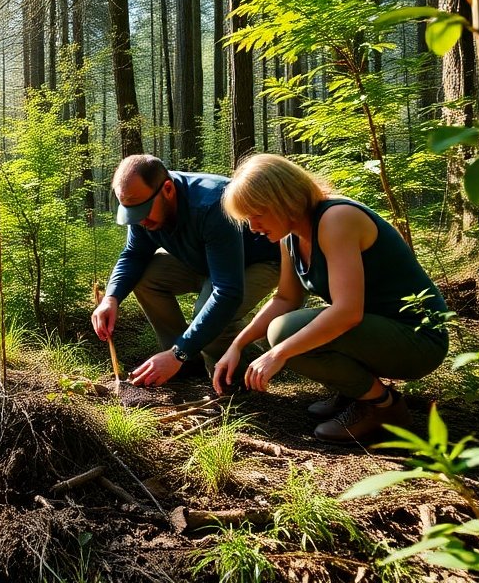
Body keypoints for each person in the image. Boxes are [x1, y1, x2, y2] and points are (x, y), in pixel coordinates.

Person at [213, 154, 450, 443]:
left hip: (418, 340)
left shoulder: (336, 218)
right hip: (379, 331)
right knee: (281, 328)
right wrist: (238, 344)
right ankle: (356, 391)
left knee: (283, 333)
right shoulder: (291, 234)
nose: (253, 227)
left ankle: (383, 407)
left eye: (257, 214)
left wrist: (279, 353)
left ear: (283, 199)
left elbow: (347, 312)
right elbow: (285, 299)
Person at [91, 154, 281, 388]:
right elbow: (134, 254)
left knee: (211, 314)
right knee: (145, 278)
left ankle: (237, 381)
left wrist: (177, 353)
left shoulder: (213, 203)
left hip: (256, 262)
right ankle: (187, 364)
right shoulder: (143, 212)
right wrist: (111, 298)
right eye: (132, 214)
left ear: (168, 189)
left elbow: (227, 292)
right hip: (203, 260)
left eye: (143, 211)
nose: (139, 221)